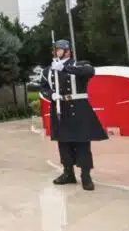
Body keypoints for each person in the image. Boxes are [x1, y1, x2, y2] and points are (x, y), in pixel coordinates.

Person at [40, 40, 108, 191]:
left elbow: (90, 72)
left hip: (78, 107)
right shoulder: (48, 70)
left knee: (82, 143)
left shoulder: (80, 64)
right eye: (54, 50)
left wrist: (64, 68)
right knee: (63, 143)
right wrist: (51, 95)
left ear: (67, 51)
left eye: (58, 50)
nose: (55, 52)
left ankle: (85, 175)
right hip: (60, 107)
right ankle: (68, 173)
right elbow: (43, 87)